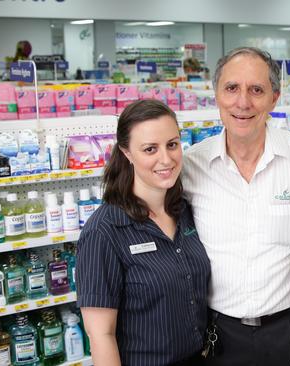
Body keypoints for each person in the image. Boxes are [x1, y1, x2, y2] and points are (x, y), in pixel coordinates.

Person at [182, 47, 290, 365]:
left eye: (256, 90)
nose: (243, 102)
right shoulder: (190, 166)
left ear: (274, 98)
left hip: (289, 331)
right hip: (219, 336)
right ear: (216, 95)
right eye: (232, 88)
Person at [76, 99, 210, 366]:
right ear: (127, 153)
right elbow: (101, 334)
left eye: (172, 144)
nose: (166, 159)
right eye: (150, 149)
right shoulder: (104, 231)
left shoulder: (184, 211)